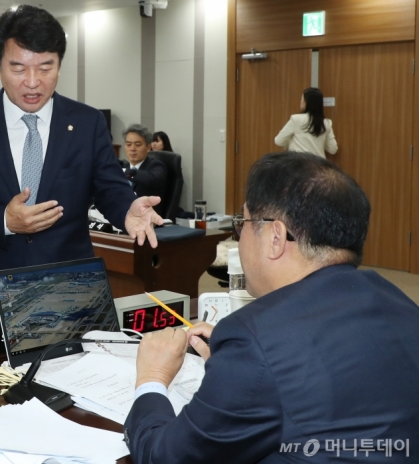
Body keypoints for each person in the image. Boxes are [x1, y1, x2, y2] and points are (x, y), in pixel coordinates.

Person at [124, 152, 419, 463]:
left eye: (242, 224)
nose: (239, 240)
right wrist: (238, 368)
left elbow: (168, 456)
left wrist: (152, 377)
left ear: (276, 237)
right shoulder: (401, 305)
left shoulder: (255, 340)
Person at [0, 5, 163, 341]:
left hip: (72, 292)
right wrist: (4, 221)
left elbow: (109, 187)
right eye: (18, 68)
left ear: (59, 66)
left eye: (45, 67)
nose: (32, 82)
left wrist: (127, 208)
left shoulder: (86, 122)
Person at [274, 87, 338, 158]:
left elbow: (278, 141)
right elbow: (333, 149)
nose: (301, 102)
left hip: (299, 164)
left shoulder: (296, 119)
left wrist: (291, 141)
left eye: (302, 99)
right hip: (318, 165)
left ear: (307, 102)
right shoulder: (326, 123)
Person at [120, 124, 167, 216]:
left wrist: (126, 172)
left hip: (147, 220)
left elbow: (151, 179)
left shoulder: (157, 166)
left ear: (148, 147)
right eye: (128, 144)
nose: (132, 149)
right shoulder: (123, 166)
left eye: (137, 145)